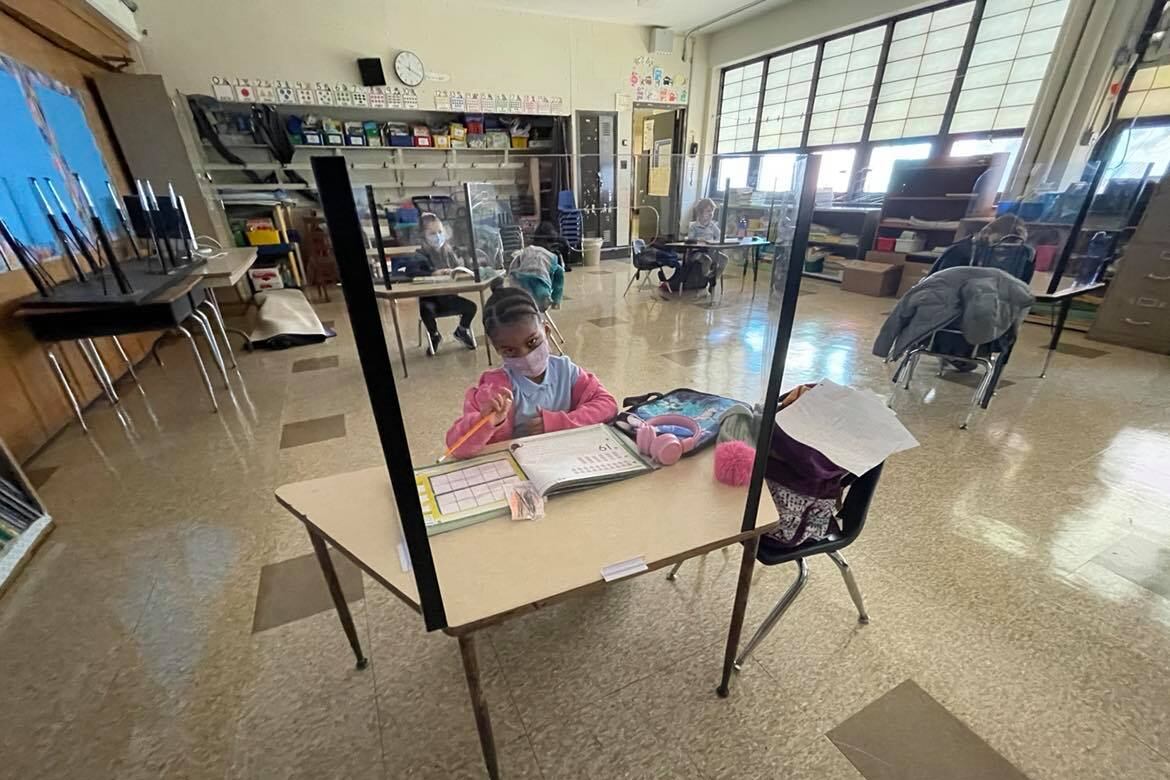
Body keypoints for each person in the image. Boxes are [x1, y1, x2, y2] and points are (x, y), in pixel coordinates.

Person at [444, 287, 617, 459]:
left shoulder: (566, 371)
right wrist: (485, 422)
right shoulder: (494, 390)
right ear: (498, 350)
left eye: (532, 341)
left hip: (567, 460)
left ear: (546, 331)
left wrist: (557, 423)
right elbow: (456, 447)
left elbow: (607, 405)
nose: (525, 355)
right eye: (510, 350)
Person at [414, 213, 478, 355]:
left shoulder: (448, 251)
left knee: (471, 307)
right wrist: (432, 273)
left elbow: (459, 269)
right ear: (423, 236)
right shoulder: (420, 253)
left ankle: (461, 331)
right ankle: (434, 335)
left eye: (440, 232)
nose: (437, 236)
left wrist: (463, 266)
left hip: (449, 298)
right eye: (432, 233)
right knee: (426, 311)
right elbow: (411, 271)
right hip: (430, 300)